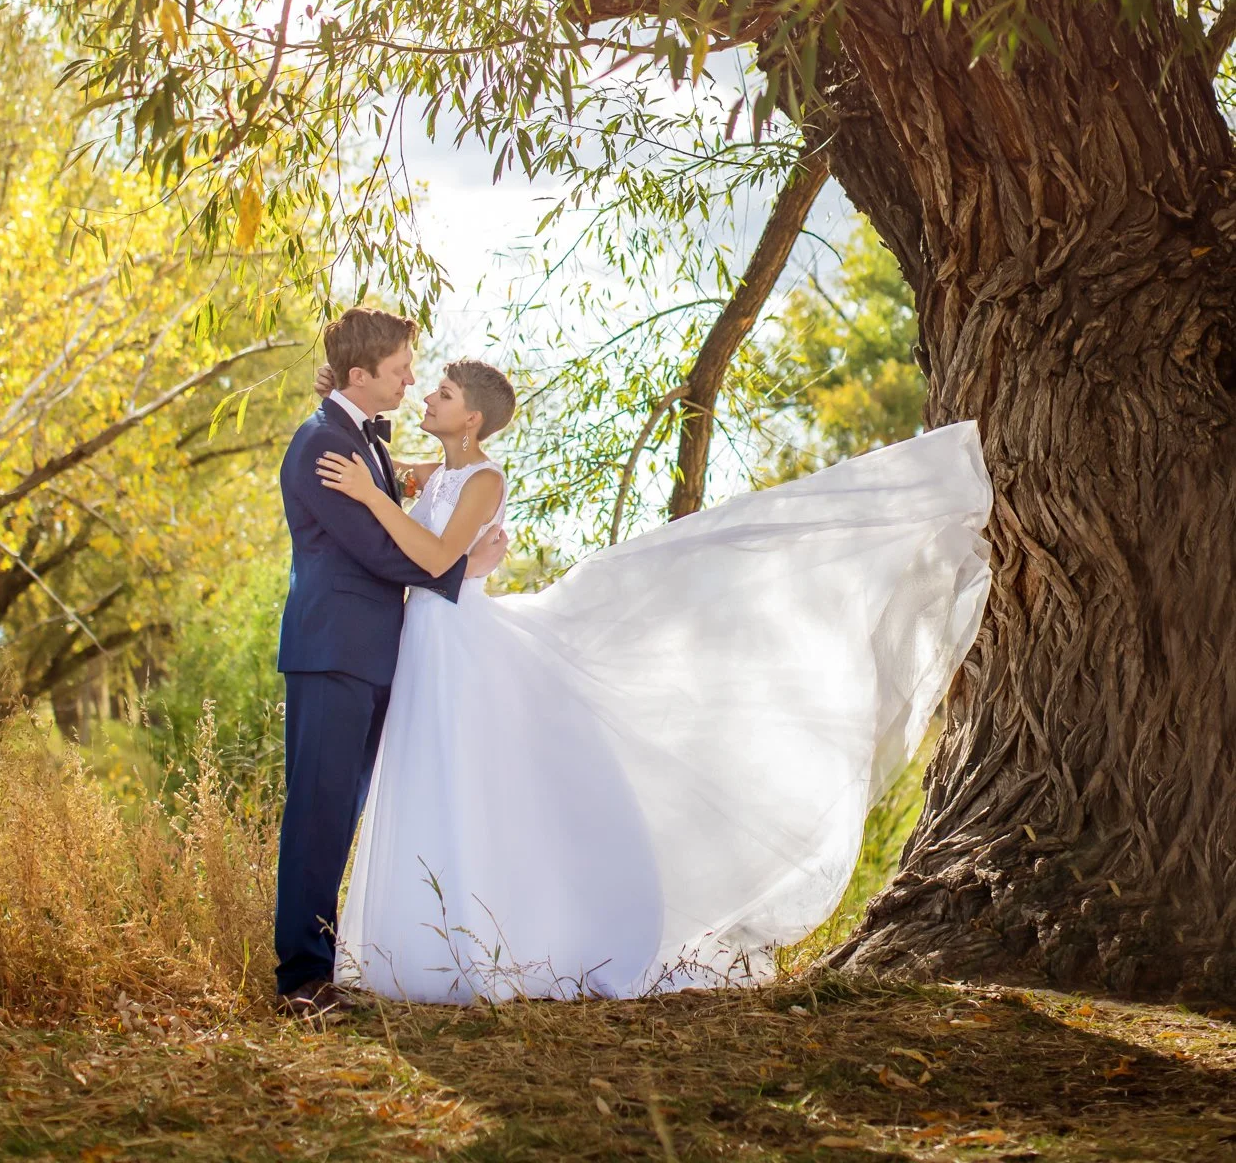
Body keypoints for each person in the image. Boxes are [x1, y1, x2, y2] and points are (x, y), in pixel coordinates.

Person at [320, 364, 993, 1003]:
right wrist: (344, 404)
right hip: (430, 636)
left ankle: (505, 937)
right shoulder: (441, 473)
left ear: (470, 417)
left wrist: (373, 498)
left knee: (469, 778)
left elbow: (437, 557)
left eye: (440, 392)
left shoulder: (482, 482)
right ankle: (418, 942)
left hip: (458, 636)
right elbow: (384, 467)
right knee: (432, 776)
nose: (426, 398)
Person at [274, 309, 508, 1017]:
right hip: (334, 651)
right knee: (318, 812)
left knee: (341, 809)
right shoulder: (324, 445)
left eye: (419, 372)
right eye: (402, 368)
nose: (412, 378)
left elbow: (421, 488)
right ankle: (301, 982)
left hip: (377, 654)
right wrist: (458, 573)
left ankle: (334, 961)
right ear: (360, 376)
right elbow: (376, 551)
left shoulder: (361, 438)